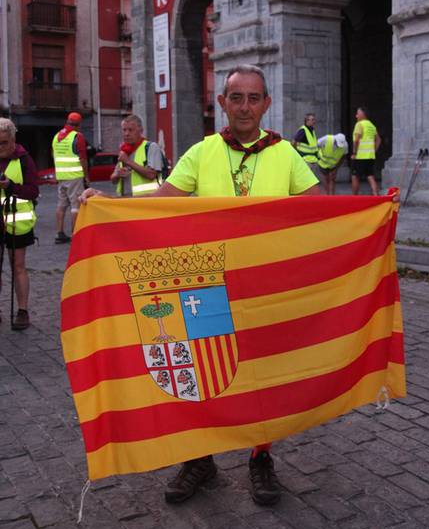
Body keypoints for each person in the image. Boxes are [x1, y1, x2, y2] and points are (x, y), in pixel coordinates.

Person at [81, 64, 320, 506]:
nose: (244, 107)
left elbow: (319, 213)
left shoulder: (286, 154)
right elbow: (158, 205)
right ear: (222, 103)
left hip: (264, 288)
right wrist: (109, 205)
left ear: (266, 104)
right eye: (236, 98)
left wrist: (376, 212)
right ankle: (199, 458)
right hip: (208, 289)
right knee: (200, 373)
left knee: (263, 376)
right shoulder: (202, 152)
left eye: (253, 98)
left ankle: (260, 456)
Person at [0, 118, 39, 330]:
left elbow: (33, 191)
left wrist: (11, 187)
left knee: (18, 266)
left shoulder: (24, 160)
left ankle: (22, 311)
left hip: (17, 221)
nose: (0, 147)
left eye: (4, 143)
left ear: (13, 141)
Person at [52, 112, 88, 243]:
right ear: (78, 125)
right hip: (74, 177)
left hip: (61, 176)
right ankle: (75, 234)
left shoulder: (56, 137)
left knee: (61, 205)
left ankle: (59, 233)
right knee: (76, 206)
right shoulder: (77, 136)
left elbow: (54, 155)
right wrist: (86, 176)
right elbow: (83, 158)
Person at [110, 115, 163, 197]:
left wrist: (128, 161)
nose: (126, 134)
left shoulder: (151, 147)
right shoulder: (124, 150)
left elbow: (151, 175)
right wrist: (117, 174)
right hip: (124, 199)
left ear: (141, 131)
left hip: (146, 199)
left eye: (130, 130)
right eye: (124, 130)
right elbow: (113, 180)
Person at [351, 106, 381, 196]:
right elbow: (379, 140)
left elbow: (356, 140)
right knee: (370, 176)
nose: (356, 116)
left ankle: (354, 198)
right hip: (370, 156)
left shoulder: (359, 124)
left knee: (355, 176)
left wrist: (354, 153)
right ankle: (376, 196)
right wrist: (373, 151)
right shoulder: (371, 125)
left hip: (360, 156)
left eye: (357, 113)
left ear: (363, 114)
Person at [292, 113, 320, 178]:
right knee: (305, 179)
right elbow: (293, 142)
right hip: (305, 161)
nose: (314, 121)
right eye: (312, 120)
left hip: (312, 160)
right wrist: (297, 154)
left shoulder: (312, 130)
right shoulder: (303, 130)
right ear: (307, 121)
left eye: (314, 120)